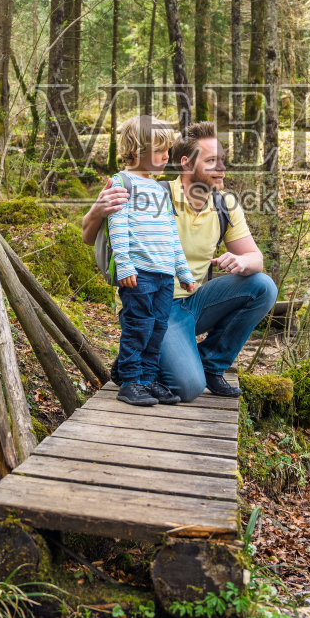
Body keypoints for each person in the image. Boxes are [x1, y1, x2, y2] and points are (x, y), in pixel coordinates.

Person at [82, 120, 276, 401]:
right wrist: (96, 212)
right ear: (186, 164)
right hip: (150, 301)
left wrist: (243, 262)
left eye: (222, 160)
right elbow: (90, 238)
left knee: (263, 286)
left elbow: (256, 259)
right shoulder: (152, 191)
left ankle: (211, 365)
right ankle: (139, 365)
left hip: (194, 299)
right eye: (212, 161)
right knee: (188, 387)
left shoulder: (225, 205)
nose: (222, 168)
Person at [104, 116, 196, 406]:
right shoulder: (123, 182)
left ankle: (148, 378)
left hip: (163, 275)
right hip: (139, 274)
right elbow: (117, 228)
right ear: (135, 150)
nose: (166, 156)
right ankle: (131, 381)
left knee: (158, 328)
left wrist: (183, 271)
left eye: (167, 150)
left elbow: (171, 235)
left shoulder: (160, 191)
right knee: (138, 327)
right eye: (159, 150)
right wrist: (125, 265)